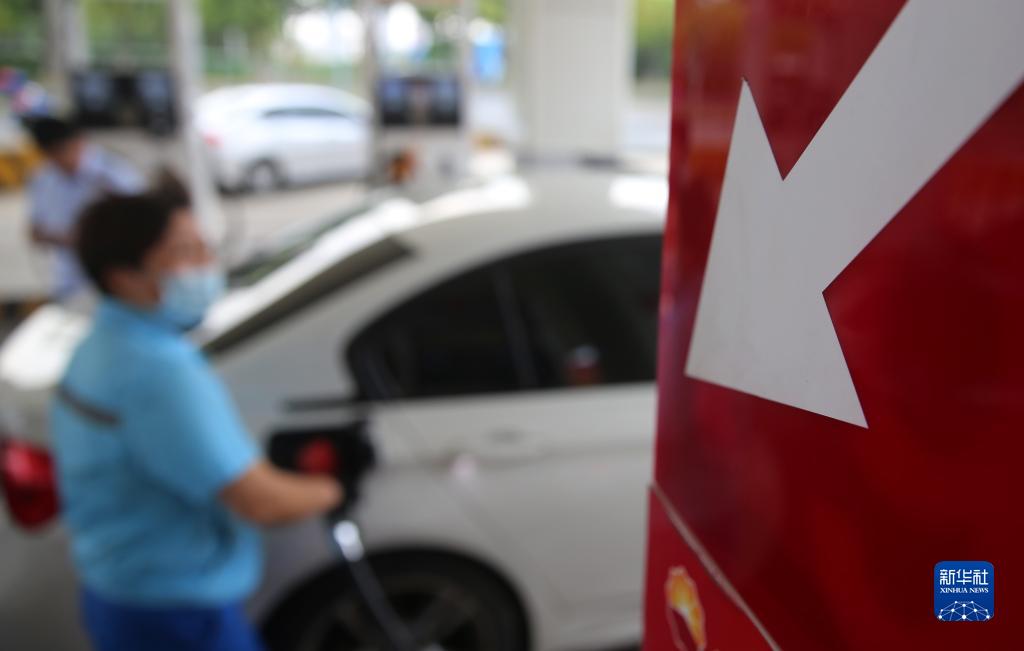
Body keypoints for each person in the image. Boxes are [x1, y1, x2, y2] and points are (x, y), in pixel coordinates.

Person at [50, 180, 344, 651]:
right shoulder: (157, 371)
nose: (207, 263)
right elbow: (260, 502)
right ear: (124, 277)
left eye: (205, 246)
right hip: (177, 616)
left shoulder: (103, 344)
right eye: (185, 252)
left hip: (122, 594)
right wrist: (331, 488)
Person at [25, 116, 144, 300]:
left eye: (62, 150)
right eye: (51, 154)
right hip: (69, 280)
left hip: (117, 276)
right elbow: (35, 231)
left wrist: (94, 238)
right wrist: (68, 239)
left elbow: (143, 223)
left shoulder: (113, 173)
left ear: (79, 142)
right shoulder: (43, 179)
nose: (60, 160)